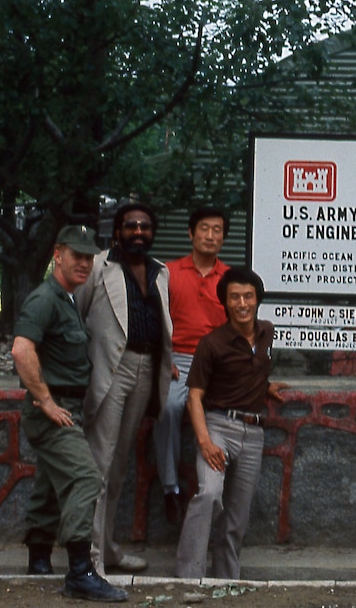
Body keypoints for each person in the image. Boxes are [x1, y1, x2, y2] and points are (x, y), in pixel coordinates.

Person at [11, 225, 126, 602]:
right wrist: (45, 401)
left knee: (50, 484)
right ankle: (79, 572)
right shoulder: (45, 299)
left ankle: (39, 562)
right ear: (57, 254)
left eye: (89, 257)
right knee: (86, 479)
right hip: (53, 409)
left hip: (68, 405)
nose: (84, 262)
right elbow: (21, 350)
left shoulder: (69, 298)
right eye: (77, 255)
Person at [76, 201, 173, 576]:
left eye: (145, 227)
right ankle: (90, 559)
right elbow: (77, 314)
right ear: (117, 232)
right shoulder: (98, 267)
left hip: (145, 369)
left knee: (118, 467)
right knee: (99, 464)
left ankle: (108, 548)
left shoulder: (160, 272)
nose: (137, 232)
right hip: (110, 371)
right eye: (130, 226)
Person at [175, 267, 288, 579]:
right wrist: (205, 442)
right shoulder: (211, 344)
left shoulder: (267, 332)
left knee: (237, 515)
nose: (242, 303)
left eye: (248, 296)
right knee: (209, 494)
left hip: (254, 433)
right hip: (217, 427)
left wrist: (266, 386)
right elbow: (194, 396)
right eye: (235, 297)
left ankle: (227, 580)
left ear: (257, 300)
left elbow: (250, 369)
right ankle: (190, 576)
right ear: (224, 302)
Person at [153, 207, 230, 524]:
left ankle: (215, 495)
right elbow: (151, 319)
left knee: (228, 415)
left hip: (216, 361)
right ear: (191, 233)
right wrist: (162, 357)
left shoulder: (229, 278)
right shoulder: (168, 273)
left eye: (218, 230)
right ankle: (170, 489)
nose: (211, 236)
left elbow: (240, 327)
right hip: (178, 359)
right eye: (205, 229)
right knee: (168, 407)